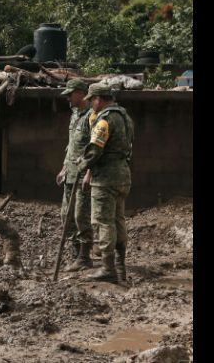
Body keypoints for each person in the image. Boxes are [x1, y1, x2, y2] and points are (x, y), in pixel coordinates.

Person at [76, 84, 134, 283]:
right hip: (123, 176)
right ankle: (120, 267)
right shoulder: (126, 118)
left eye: (91, 100)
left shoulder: (104, 120)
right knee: (118, 220)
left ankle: (108, 268)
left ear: (98, 99)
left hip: (106, 179)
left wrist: (81, 165)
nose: (91, 105)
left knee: (102, 221)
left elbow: (94, 151)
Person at [56, 79, 94, 272]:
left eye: (70, 94)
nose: (68, 98)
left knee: (81, 216)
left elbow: (95, 150)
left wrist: (89, 173)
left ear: (81, 93)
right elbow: (72, 145)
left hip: (83, 175)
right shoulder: (74, 115)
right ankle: (75, 253)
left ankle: (85, 257)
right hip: (70, 173)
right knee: (65, 215)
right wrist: (64, 167)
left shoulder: (91, 117)